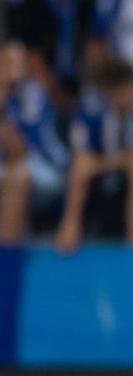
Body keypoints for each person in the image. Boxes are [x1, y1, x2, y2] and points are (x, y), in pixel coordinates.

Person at [56, 57, 133, 253]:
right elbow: (81, 158)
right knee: (81, 168)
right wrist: (114, 162)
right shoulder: (91, 114)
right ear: (115, 94)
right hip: (99, 185)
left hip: (130, 183)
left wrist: (102, 163)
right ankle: (69, 226)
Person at [0, 41, 69, 242]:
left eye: (21, 61)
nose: (17, 67)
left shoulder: (33, 92)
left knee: (18, 176)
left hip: (44, 166)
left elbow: (18, 150)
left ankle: (6, 265)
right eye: (10, 62)